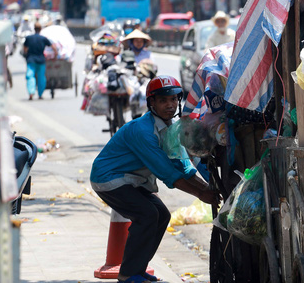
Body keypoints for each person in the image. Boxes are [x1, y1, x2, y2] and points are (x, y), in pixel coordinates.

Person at [90, 76, 220, 283]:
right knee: (147, 215)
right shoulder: (142, 131)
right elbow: (167, 173)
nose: (170, 105)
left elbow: (183, 165)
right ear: (152, 103)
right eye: (162, 100)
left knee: (161, 215)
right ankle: (127, 275)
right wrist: (202, 194)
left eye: (173, 100)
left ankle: (137, 270)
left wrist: (209, 188)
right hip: (109, 179)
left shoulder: (171, 128)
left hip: (132, 180)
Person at [23, 22, 57, 100]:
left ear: (34, 29)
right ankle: (40, 94)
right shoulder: (43, 38)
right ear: (40, 29)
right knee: (41, 77)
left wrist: (26, 55)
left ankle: (31, 92)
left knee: (30, 76)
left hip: (31, 60)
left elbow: (25, 49)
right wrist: (55, 55)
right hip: (41, 61)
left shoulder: (29, 38)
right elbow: (53, 48)